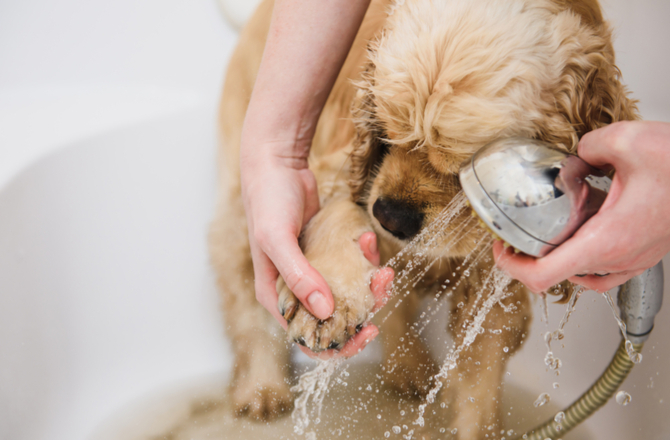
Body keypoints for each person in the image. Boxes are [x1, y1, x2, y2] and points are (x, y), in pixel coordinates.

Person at [241, 0, 670, 357]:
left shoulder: (554, 83)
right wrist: (276, 151)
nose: (393, 198)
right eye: (394, 135)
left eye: (457, 165)